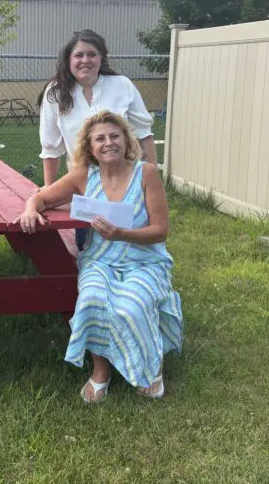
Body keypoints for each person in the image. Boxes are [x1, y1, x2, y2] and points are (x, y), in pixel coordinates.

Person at [15, 110, 182, 402]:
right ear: (89, 147)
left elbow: (161, 230)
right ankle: (100, 372)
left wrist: (120, 234)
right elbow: (41, 196)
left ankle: (151, 366)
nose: (108, 143)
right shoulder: (84, 175)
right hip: (100, 259)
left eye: (114, 136)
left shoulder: (146, 173)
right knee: (92, 299)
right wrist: (30, 210)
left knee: (133, 304)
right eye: (100, 138)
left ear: (126, 140)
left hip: (144, 261)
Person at [37, 29, 157, 252]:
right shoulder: (56, 92)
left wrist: (152, 179)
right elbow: (51, 147)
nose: (85, 60)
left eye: (92, 54)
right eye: (78, 55)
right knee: (90, 247)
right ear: (69, 60)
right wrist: (49, 188)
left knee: (132, 244)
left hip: (127, 182)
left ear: (101, 58)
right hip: (85, 186)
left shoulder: (122, 85)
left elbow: (144, 134)